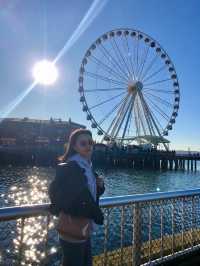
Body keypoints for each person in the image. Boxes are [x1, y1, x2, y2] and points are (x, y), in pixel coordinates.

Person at [49, 128, 105, 266]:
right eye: (83, 143)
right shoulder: (71, 166)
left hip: (84, 225)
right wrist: (93, 212)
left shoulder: (87, 166)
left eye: (90, 142)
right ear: (74, 146)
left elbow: (89, 194)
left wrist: (100, 186)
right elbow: (64, 195)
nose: (88, 146)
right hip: (73, 225)